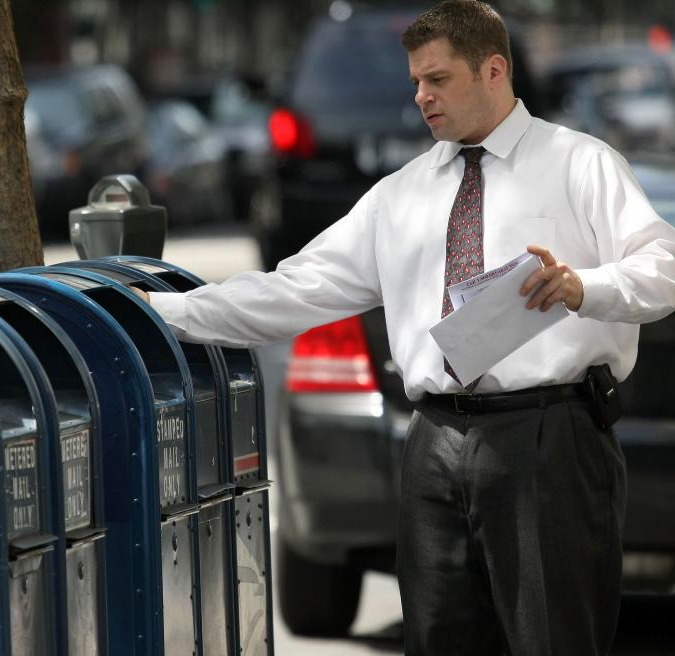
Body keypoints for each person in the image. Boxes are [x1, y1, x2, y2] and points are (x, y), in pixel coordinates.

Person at [135, 1, 675, 653]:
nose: (421, 96)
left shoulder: (579, 164)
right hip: (434, 444)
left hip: (549, 439)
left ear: (494, 70)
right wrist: (160, 313)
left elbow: (663, 267)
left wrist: (585, 287)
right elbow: (296, 288)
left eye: (438, 79)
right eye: (416, 81)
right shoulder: (402, 194)